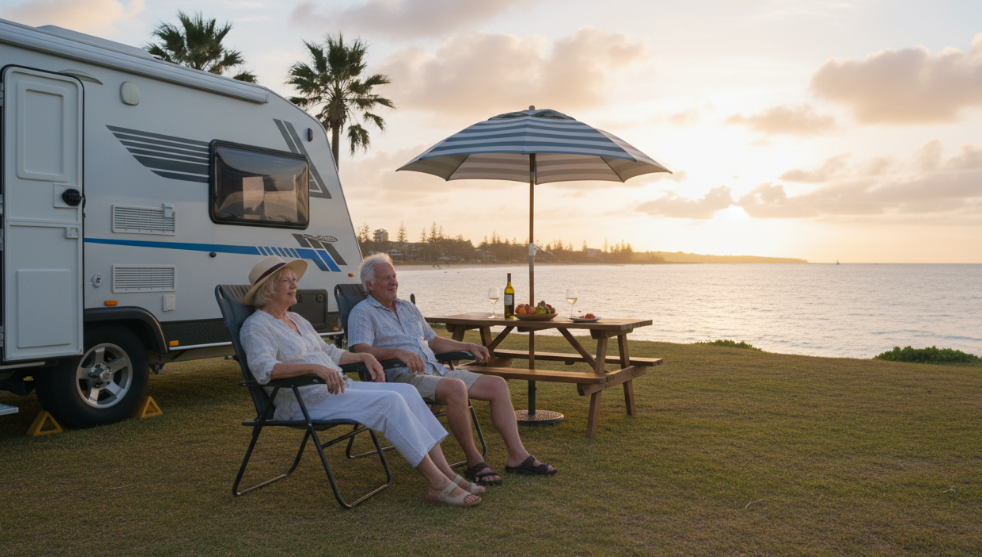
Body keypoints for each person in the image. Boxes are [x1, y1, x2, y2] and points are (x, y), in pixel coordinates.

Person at [239, 255, 482, 507]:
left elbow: (330, 353)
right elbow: (264, 370)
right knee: (390, 402)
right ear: (267, 290)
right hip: (304, 400)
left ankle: (449, 475)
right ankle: (437, 484)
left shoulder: (297, 319)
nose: (294, 284)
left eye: (294, 279)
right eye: (286, 281)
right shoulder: (256, 326)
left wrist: (363, 355)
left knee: (407, 392)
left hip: (336, 389)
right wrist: (314, 368)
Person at [349, 253, 557, 486]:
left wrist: (467, 345)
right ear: (370, 284)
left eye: (394, 276)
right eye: (386, 277)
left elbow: (434, 341)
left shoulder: (407, 307)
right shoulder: (362, 311)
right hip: (402, 377)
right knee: (456, 388)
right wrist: (398, 353)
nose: (394, 281)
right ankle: (474, 461)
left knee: (497, 384)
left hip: (436, 370)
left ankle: (517, 456)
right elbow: (360, 349)